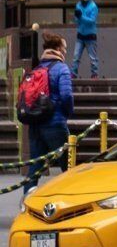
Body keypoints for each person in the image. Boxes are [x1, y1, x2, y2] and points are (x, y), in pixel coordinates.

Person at [21, 36, 76, 191]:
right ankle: (72, 203)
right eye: (64, 48)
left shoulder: (37, 69)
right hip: (55, 124)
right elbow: (66, 96)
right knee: (69, 166)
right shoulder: (62, 68)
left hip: (35, 124)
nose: (65, 51)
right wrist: (67, 113)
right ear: (58, 49)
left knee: (35, 167)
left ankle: (26, 200)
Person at [71, 0, 103, 78]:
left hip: (90, 36)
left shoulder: (93, 6)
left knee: (93, 58)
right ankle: (73, 73)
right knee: (76, 56)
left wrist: (81, 17)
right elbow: (77, 21)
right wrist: (77, 17)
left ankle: (94, 74)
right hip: (80, 35)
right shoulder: (78, 5)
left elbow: (92, 21)